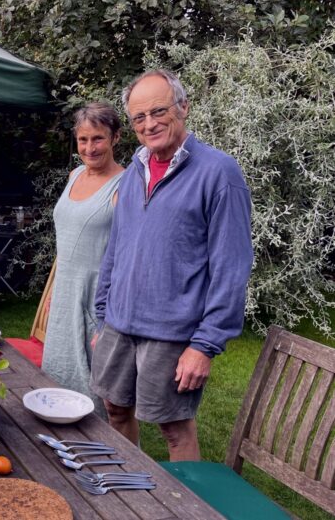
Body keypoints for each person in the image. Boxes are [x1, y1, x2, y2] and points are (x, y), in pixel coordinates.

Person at [91, 69, 253, 461]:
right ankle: (132, 495)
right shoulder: (133, 173)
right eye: (139, 118)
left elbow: (232, 266)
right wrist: (102, 317)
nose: (149, 124)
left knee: (174, 431)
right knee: (114, 410)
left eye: (158, 111)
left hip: (171, 332)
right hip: (119, 324)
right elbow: (117, 247)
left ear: (183, 107)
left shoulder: (219, 173)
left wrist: (204, 345)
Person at [40, 102, 124, 416]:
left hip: (97, 301)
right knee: (56, 384)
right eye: (83, 139)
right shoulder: (75, 175)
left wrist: (110, 319)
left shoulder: (124, 185)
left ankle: (110, 461)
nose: (90, 147)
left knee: (98, 396)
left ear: (115, 138)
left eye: (98, 138)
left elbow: (129, 255)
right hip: (64, 296)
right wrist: (55, 290)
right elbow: (68, 241)